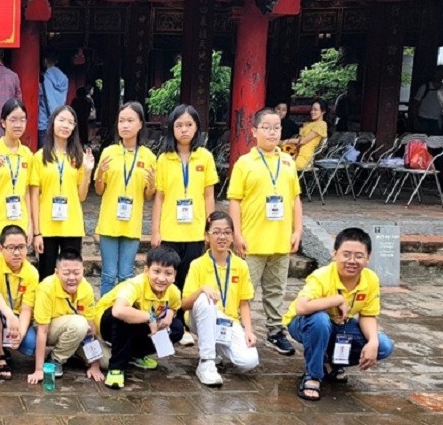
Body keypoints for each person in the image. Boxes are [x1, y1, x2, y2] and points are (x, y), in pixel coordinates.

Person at [284, 227, 394, 401]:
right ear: (335, 254)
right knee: (320, 320)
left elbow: (367, 315)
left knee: (384, 346)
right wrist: (336, 300)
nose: (352, 261)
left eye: (359, 256)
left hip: (340, 325)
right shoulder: (322, 276)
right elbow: (301, 307)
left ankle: (331, 363)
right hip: (305, 323)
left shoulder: (371, 279)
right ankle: (313, 375)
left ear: (368, 258)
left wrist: (372, 341)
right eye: (346, 255)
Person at [229, 107, 303, 356]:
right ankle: (238, 330)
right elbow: (235, 201)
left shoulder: (288, 162)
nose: (272, 132)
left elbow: (295, 199)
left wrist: (297, 230)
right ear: (254, 131)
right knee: (245, 290)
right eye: (266, 127)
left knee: (276, 290)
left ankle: (274, 331)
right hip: (252, 240)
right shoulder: (244, 163)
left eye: (276, 128)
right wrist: (237, 234)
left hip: (280, 240)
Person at [151, 104, 217, 344]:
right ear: (172, 128)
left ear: (197, 127)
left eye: (189, 124)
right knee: (168, 280)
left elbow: (209, 195)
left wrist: (210, 229)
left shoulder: (205, 157)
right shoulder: (164, 159)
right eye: (179, 125)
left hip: (195, 231)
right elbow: (159, 197)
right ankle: (168, 324)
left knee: (189, 279)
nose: (184, 130)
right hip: (170, 230)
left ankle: (185, 325)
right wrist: (155, 230)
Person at [181, 212, 259, 386]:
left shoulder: (241, 265)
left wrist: (249, 331)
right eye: (216, 232)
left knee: (249, 361)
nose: (222, 237)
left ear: (232, 236)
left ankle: (216, 348)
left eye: (227, 232)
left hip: (228, 322)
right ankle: (206, 362)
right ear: (206, 236)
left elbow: (244, 303)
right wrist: (201, 289)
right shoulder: (197, 264)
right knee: (205, 299)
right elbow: (184, 304)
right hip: (200, 318)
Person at [96, 246, 182, 389]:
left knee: (177, 327)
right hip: (107, 326)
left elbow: (174, 306)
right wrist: (150, 318)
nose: (162, 278)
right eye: (157, 271)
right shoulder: (135, 285)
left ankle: (136, 355)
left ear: (174, 275)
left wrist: (169, 315)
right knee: (126, 316)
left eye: (168, 273)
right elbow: (118, 311)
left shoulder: (173, 291)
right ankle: (116, 368)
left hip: (141, 324)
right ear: (146, 270)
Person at [95, 101, 157, 294]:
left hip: (132, 224)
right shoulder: (109, 152)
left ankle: (123, 310)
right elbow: (99, 190)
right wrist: (99, 175)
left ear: (140, 124)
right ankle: (105, 310)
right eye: (121, 121)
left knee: (126, 274)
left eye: (130, 121)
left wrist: (152, 185)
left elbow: (147, 195)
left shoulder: (148, 156)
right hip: (109, 223)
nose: (125, 125)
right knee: (108, 274)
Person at [30, 105, 94, 279]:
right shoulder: (40, 156)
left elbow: (81, 196)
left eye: (70, 122)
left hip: (72, 225)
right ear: (52, 123)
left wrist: (87, 172)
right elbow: (34, 196)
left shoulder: (79, 157)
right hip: (47, 226)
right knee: (46, 274)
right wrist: (36, 232)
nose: (65, 125)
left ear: (74, 127)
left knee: (70, 275)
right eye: (61, 120)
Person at [28, 248, 104, 385]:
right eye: (66, 273)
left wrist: (95, 365)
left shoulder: (86, 288)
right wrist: (39, 369)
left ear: (83, 271)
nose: (72, 278)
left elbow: (91, 328)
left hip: (76, 329)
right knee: (79, 324)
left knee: (106, 361)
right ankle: (55, 359)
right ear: (57, 272)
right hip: (48, 328)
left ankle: (71, 349)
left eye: (76, 273)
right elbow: (42, 330)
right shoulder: (47, 287)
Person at [0, 98, 35, 259]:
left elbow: (26, 192)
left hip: (19, 225)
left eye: (22, 120)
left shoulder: (27, 154)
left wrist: (30, 224)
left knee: (16, 271)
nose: (18, 124)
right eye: (13, 120)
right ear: (3, 122)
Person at [0, 225, 39, 379]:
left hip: (16, 317)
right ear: (1, 248)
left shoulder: (32, 272)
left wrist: (21, 332)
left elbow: (27, 309)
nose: (17, 253)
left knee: (30, 345)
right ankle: (0, 356)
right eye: (11, 248)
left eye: (21, 247)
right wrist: (9, 314)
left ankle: (2, 343)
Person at [289, 100, 328, 170]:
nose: (312, 112)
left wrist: (286, 141)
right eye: (312, 110)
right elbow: (299, 140)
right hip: (295, 151)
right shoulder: (308, 124)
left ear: (323, 111)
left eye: (315, 110)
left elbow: (302, 141)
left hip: (305, 155)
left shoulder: (321, 124)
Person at [37, 54, 68, 141]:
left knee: (43, 149)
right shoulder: (65, 79)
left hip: (43, 122)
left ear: (45, 61)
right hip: (58, 120)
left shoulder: (43, 78)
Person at [412, 66, 443, 136]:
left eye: (441, 74)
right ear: (434, 74)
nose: (440, 75)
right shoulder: (425, 87)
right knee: (422, 140)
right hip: (423, 119)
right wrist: (415, 120)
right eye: (438, 73)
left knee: (435, 141)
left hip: (437, 121)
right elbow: (415, 104)